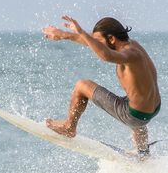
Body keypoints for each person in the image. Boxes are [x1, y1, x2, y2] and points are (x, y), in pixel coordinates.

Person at [42, 15, 161, 156]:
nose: (94, 44)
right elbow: (94, 44)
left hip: (134, 115)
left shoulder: (129, 54)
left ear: (111, 39)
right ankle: (143, 153)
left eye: (98, 40)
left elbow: (106, 55)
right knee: (136, 109)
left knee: (82, 85)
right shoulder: (133, 45)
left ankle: (69, 127)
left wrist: (81, 31)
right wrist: (63, 35)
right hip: (152, 108)